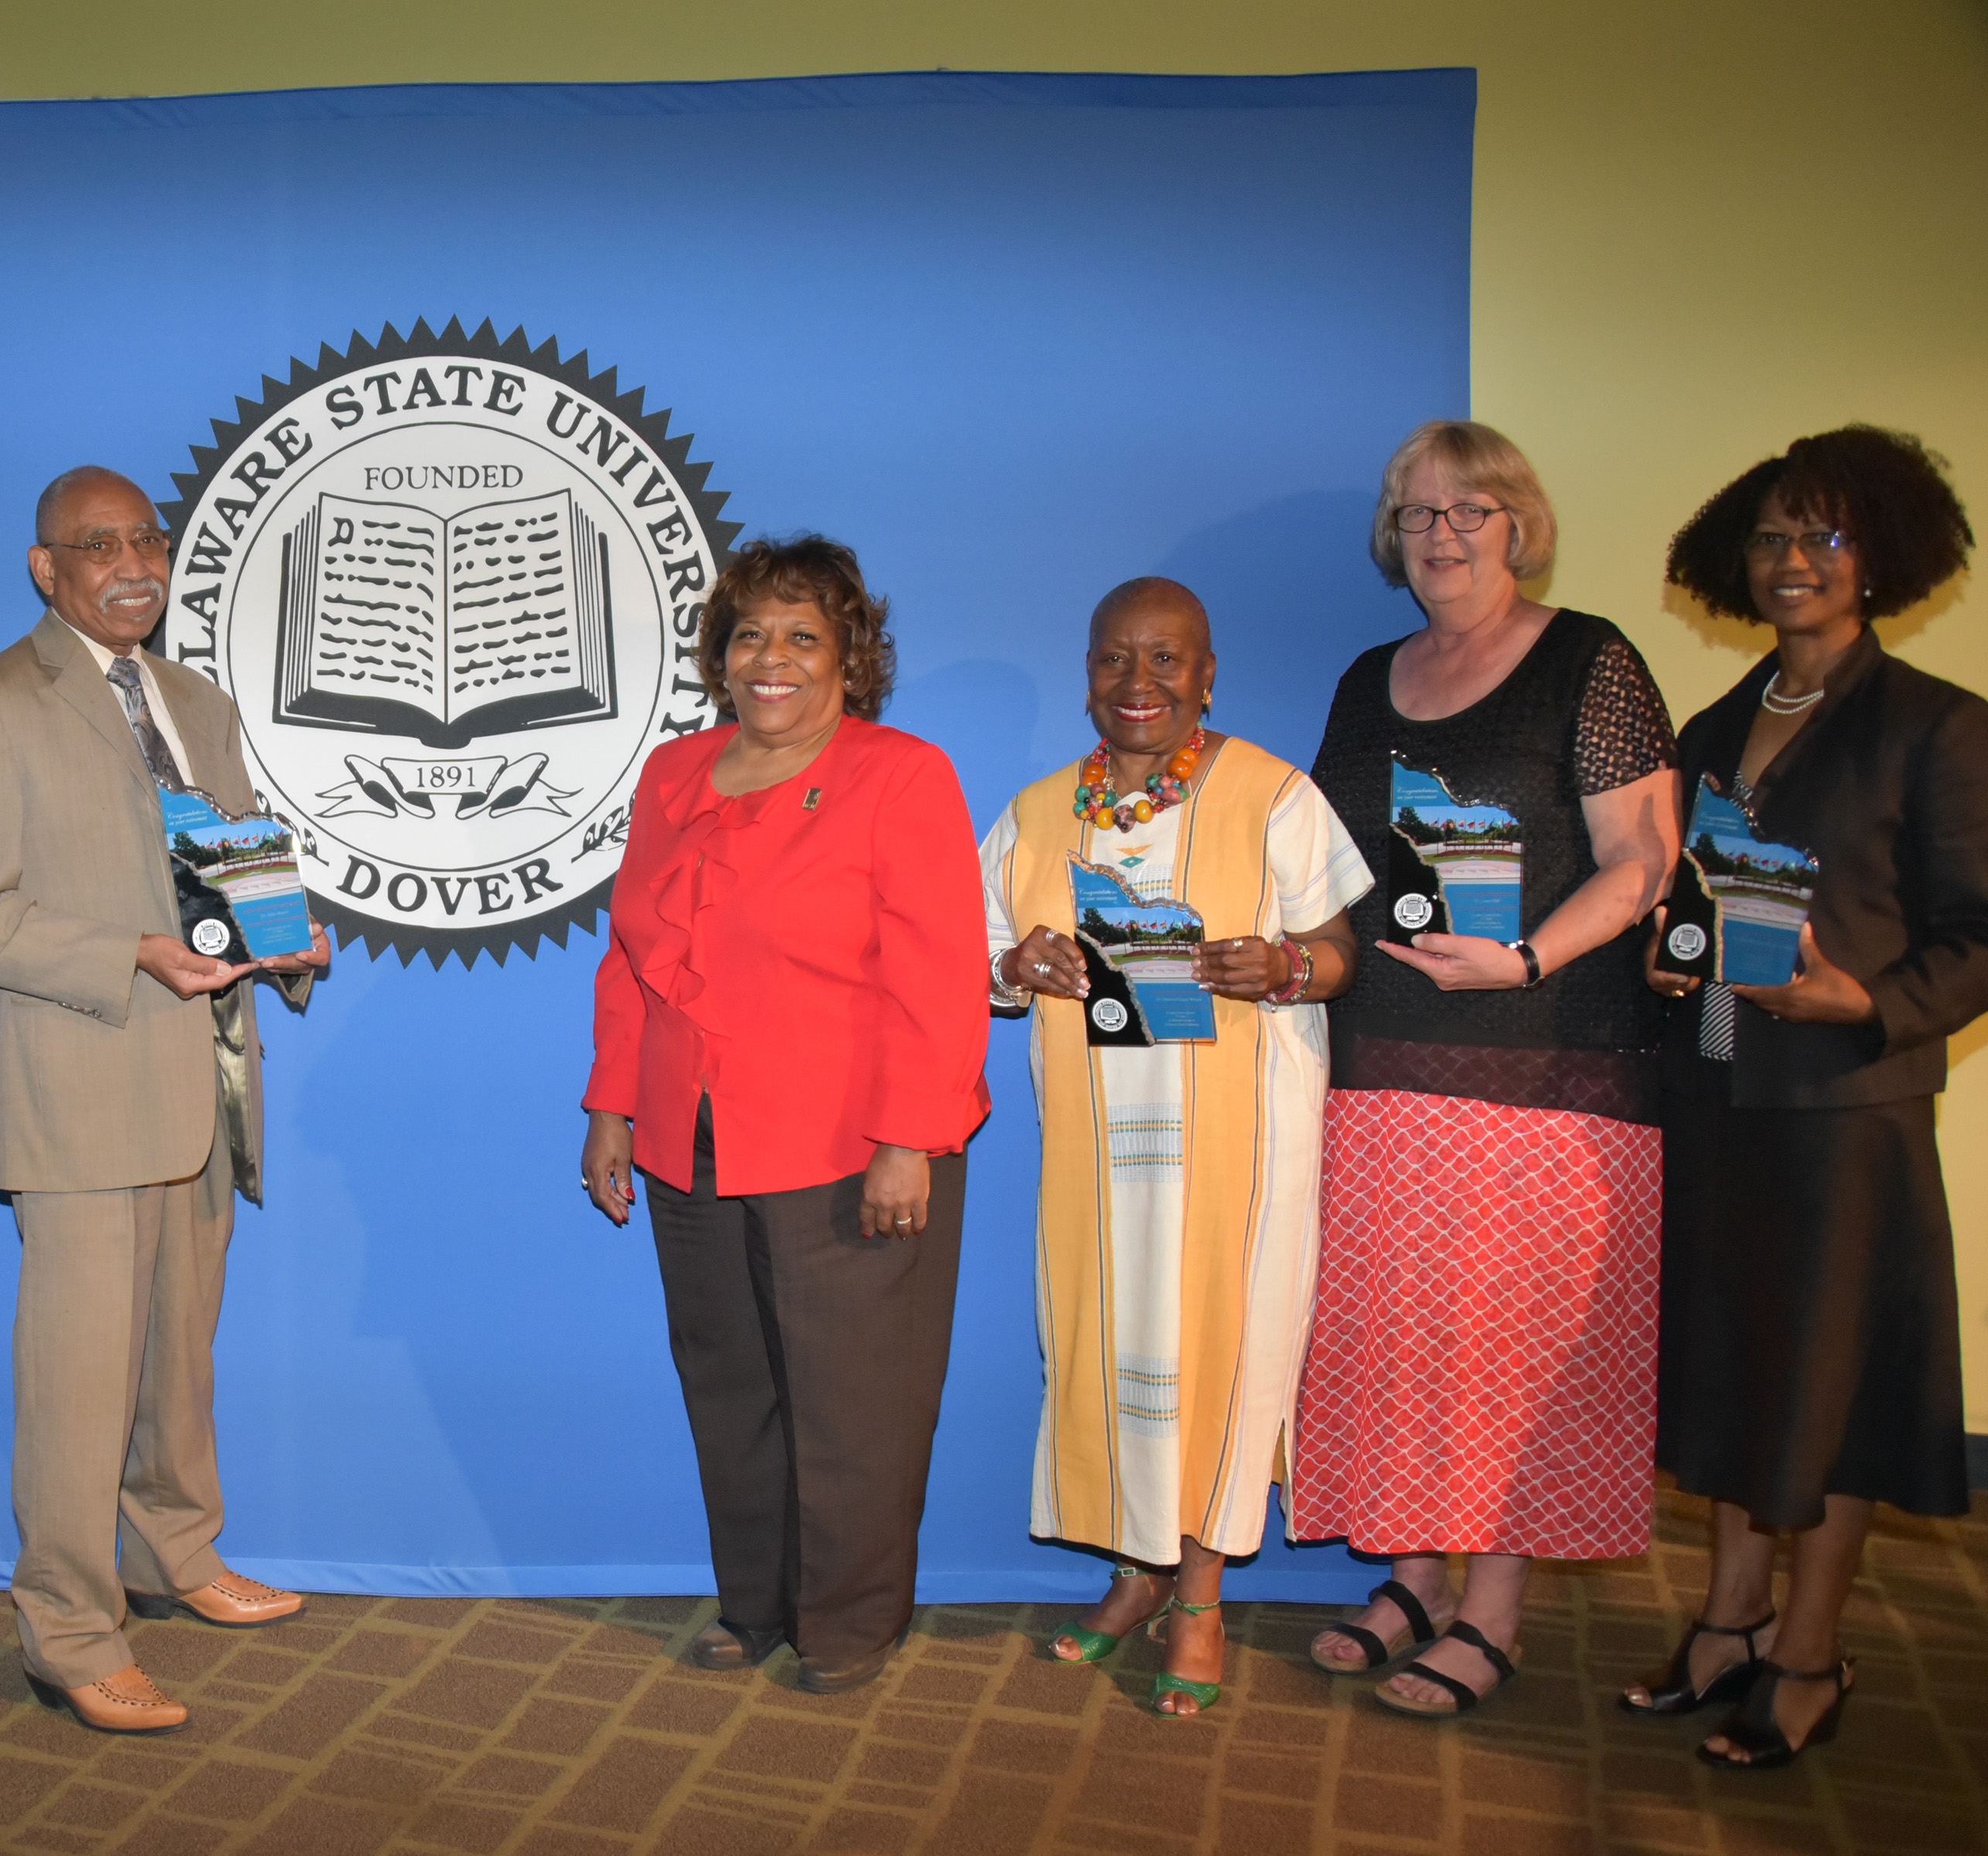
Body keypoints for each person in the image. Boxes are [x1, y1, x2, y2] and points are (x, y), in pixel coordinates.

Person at [0, 465, 330, 1736]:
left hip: (206, 1081)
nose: (134, 561)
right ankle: (70, 1632)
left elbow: (235, 849)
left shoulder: (196, 700)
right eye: (100, 545)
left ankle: (175, 1556)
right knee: (79, 1385)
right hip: (82, 1091)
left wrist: (283, 931)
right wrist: (130, 952)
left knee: (177, 1368)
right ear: (48, 568)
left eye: (149, 538)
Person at [1622, 426, 1988, 1768]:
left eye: (1824, 536)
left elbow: (1986, 936)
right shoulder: (1717, 726)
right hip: (1720, 1099)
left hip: (1850, 1116)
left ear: (1881, 556)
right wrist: (1673, 969)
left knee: (1835, 1395)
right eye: (1775, 537)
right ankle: (1726, 1624)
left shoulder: (1937, 725)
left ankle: (1808, 1648)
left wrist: (1871, 1002)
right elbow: (1695, 898)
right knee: (1738, 1378)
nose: (1794, 560)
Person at [1291, 420, 1682, 1719]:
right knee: (1401, 1335)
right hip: (1379, 1066)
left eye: (1471, 511)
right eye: (1418, 513)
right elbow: (1328, 868)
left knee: (1506, 1347)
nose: (1444, 535)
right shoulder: (1365, 677)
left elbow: (1642, 859)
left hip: (1541, 1071)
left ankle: (1495, 1608)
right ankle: (1412, 1574)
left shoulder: (1591, 658)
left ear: (1521, 526)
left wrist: (1524, 958)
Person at [581, 535, 992, 1696]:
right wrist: (612, 1106)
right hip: (689, 1138)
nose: (773, 658)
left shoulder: (901, 775)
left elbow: (939, 975)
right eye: (750, 634)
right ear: (721, 658)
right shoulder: (673, 776)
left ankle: (850, 1620)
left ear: (849, 661)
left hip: (849, 1146)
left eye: (803, 636)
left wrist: (910, 1138)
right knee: (731, 1386)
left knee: (856, 1397)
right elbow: (632, 962)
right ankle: (755, 1599)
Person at [984, 577, 1368, 1716]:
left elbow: (1342, 947)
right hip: (1100, 1149)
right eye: (1114, 660)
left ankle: (1198, 1592)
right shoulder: (1040, 810)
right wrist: (1023, 967)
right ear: (1087, 672)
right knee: (1109, 1346)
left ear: (1208, 674)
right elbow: (984, 958)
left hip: (1240, 1143)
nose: (1137, 683)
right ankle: (1138, 1571)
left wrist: (1289, 968)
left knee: (1221, 1345)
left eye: (1166, 660)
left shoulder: (1272, 794)